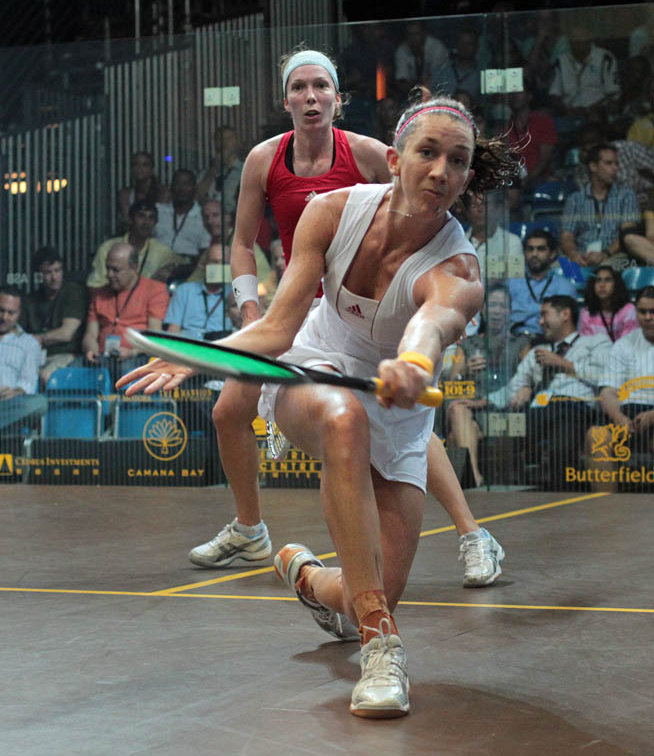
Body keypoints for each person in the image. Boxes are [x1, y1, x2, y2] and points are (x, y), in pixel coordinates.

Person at [118, 92, 519, 718]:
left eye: (458, 161)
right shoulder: (330, 213)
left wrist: (414, 366)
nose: (442, 171)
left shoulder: (458, 267)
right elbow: (278, 329)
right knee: (343, 418)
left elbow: (432, 323)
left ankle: (306, 575)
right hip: (317, 365)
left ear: (468, 177)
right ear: (395, 160)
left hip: (402, 406)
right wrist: (204, 355)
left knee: (369, 591)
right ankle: (382, 650)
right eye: (428, 153)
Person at [183, 48, 506, 588]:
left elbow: (415, 234)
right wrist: (250, 308)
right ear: (285, 99)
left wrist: (416, 353)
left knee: (400, 416)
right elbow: (242, 244)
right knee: (229, 411)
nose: (310, 97)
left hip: (376, 315)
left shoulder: (371, 154)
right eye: (299, 87)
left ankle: (472, 533)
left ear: (338, 98)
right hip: (302, 312)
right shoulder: (263, 159)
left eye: (321, 87)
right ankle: (251, 528)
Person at [506, 294, 611, 489]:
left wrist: (562, 363)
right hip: (539, 409)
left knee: (561, 443)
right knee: (504, 436)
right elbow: (514, 386)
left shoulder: (595, 343)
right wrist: (526, 388)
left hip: (575, 407)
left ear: (565, 315)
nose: (540, 321)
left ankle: (561, 496)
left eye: (545, 314)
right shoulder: (538, 351)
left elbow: (604, 376)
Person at [447, 282, 530, 487]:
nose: (497, 311)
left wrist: (527, 388)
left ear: (509, 311)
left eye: (502, 306)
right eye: (492, 305)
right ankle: (476, 476)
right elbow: (452, 385)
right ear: (483, 310)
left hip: (506, 408)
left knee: (455, 436)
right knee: (458, 409)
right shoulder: (467, 344)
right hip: (472, 409)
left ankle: (472, 480)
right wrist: (465, 371)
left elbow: (530, 375)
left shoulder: (520, 343)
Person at [585, 286, 654, 492]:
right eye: (642, 311)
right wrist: (620, 418)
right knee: (596, 436)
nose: (648, 317)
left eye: (653, 312)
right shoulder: (623, 345)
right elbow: (607, 391)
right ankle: (606, 506)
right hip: (627, 412)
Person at [82, 243, 169, 382]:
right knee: (69, 371)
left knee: (124, 371)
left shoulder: (155, 290)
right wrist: (91, 350)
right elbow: (90, 334)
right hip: (103, 357)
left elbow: (155, 337)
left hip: (137, 356)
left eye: (115, 270)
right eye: (108, 268)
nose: (109, 275)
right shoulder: (100, 294)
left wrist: (131, 352)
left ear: (133, 268)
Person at [561, 142, 640, 268]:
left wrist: (605, 253)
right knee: (560, 269)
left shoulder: (627, 195)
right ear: (593, 166)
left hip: (614, 256)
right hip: (581, 255)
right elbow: (567, 236)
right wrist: (573, 254)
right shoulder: (575, 199)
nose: (615, 168)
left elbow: (627, 234)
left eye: (616, 163)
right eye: (609, 163)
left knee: (605, 270)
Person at [20, 246, 87, 386]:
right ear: (38, 275)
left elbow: (66, 334)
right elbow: (20, 335)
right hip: (36, 356)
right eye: (48, 272)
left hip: (67, 355)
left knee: (46, 376)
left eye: (57, 270)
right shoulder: (30, 299)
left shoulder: (73, 291)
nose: (54, 277)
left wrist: (39, 338)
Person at [87, 201, 184, 288]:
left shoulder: (161, 251)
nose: (146, 222)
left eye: (151, 218)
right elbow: (94, 285)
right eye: (141, 216)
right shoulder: (108, 248)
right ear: (130, 220)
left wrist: (170, 270)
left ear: (155, 223)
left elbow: (186, 265)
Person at [187, 198, 273, 293]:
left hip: (262, 295)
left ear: (227, 217)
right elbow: (197, 276)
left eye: (215, 215)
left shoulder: (239, 243)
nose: (210, 221)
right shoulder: (216, 244)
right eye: (206, 217)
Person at [508, 228, 576, 337]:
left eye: (541, 249)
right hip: (514, 338)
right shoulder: (511, 283)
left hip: (550, 339)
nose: (534, 254)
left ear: (552, 254)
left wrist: (522, 310)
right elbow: (506, 315)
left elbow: (564, 322)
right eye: (530, 249)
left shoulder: (564, 286)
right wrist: (542, 309)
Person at [0, 285, 46, 431]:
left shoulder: (29, 343)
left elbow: (28, 382)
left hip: (8, 404)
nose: (4, 317)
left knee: (39, 403)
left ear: (19, 313)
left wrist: (14, 392)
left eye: (11, 313)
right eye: (1, 310)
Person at [164, 243, 233, 340]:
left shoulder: (234, 294)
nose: (219, 267)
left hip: (218, 345)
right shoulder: (184, 290)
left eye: (224, 263)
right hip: (187, 344)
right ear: (204, 265)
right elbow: (173, 329)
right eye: (214, 262)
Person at [506, 82, 558, 192]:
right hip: (511, 182)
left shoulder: (543, 122)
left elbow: (545, 159)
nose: (514, 96)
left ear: (529, 96)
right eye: (511, 93)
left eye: (519, 92)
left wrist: (527, 179)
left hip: (538, 180)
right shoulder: (504, 125)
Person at [462, 189, 523, 279]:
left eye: (485, 204)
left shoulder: (512, 242)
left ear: (497, 209)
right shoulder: (459, 241)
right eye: (474, 205)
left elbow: (516, 280)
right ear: (467, 211)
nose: (479, 209)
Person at [154, 169, 210, 264]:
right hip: (156, 264)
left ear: (194, 188)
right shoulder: (158, 211)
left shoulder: (203, 216)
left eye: (187, 184)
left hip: (188, 266)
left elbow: (204, 252)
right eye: (177, 183)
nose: (182, 188)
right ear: (171, 187)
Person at [195, 125, 245, 225]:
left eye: (229, 138)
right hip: (207, 222)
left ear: (237, 142)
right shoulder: (206, 173)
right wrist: (213, 170)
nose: (224, 142)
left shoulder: (246, 171)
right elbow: (196, 197)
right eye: (220, 139)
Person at [579, 266, 638, 341]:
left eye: (608, 280)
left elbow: (628, 342)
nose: (602, 285)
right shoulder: (586, 312)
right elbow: (586, 343)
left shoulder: (628, 310)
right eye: (598, 280)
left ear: (616, 285)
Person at [394, 20, 448, 98]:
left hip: (436, 94)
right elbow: (401, 82)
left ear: (424, 33)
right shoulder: (402, 50)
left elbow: (436, 81)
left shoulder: (437, 48)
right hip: (411, 96)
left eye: (416, 34)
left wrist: (416, 85)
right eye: (410, 34)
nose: (413, 38)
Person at [117, 151, 170, 230]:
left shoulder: (163, 192)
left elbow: (163, 221)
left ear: (152, 169)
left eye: (145, 165)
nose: (140, 168)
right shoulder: (125, 195)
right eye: (136, 164)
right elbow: (128, 221)